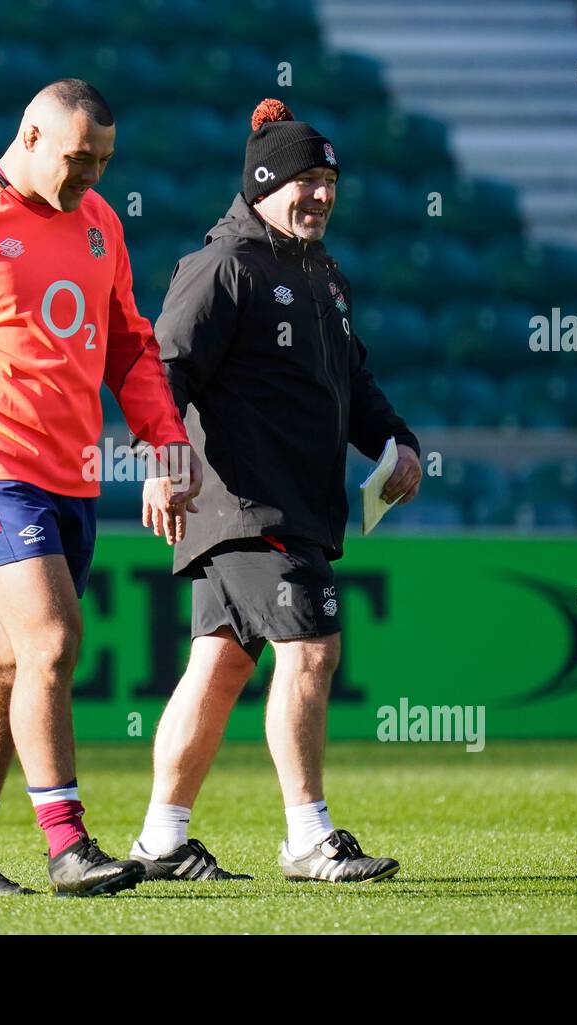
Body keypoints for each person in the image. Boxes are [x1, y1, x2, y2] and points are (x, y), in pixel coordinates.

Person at [0, 79, 201, 896]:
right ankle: (68, 844)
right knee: (53, 641)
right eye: (78, 157)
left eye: (103, 161)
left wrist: (165, 441)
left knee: (6, 667)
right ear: (28, 135)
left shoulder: (101, 224)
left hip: (74, 476)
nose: (91, 174)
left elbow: (129, 346)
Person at [129, 98, 422, 883]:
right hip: (247, 503)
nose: (322, 194)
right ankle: (307, 835)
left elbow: (352, 382)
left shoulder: (324, 276)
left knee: (220, 667)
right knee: (313, 651)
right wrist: (161, 459)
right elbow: (163, 368)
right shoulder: (224, 266)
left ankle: (161, 839)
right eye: (306, 179)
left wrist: (398, 443)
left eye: (330, 180)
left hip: (289, 503)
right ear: (263, 184)